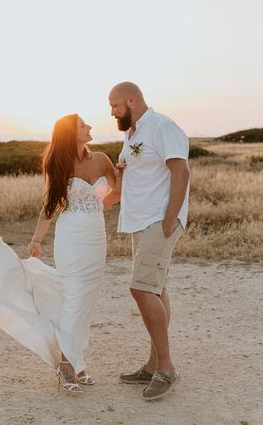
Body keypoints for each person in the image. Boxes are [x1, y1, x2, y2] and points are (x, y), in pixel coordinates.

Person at [0, 113, 123, 395]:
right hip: (70, 238)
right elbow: (50, 205)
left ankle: (76, 362)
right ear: (70, 134)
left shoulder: (102, 159)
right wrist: (36, 239)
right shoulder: (58, 163)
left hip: (96, 236)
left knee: (86, 300)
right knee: (74, 297)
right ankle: (66, 365)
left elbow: (117, 193)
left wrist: (119, 178)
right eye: (83, 125)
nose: (89, 127)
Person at [108, 82, 190, 400]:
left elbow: (180, 171)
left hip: (159, 220)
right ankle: (153, 364)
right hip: (140, 222)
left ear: (132, 100)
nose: (111, 111)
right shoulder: (131, 134)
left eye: (115, 105)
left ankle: (167, 369)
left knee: (140, 288)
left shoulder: (162, 126)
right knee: (155, 287)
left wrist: (170, 218)